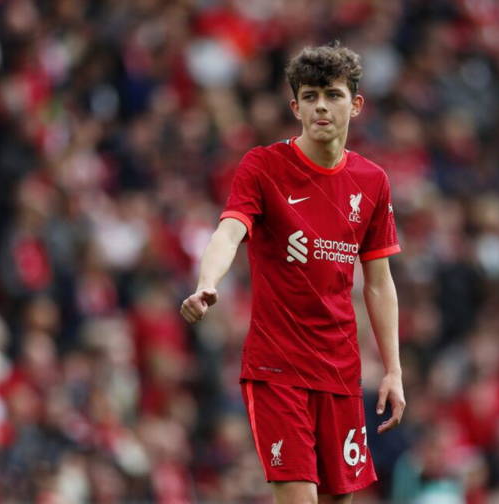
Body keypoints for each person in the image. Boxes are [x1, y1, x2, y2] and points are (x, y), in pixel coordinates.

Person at [180, 42, 405, 504]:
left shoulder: (372, 181)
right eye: (310, 96)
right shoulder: (264, 167)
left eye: (333, 94)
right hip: (277, 368)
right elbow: (229, 232)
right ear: (295, 107)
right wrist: (207, 282)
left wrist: (393, 370)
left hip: (340, 369)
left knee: (339, 499)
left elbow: (379, 283)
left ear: (355, 104)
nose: (321, 105)